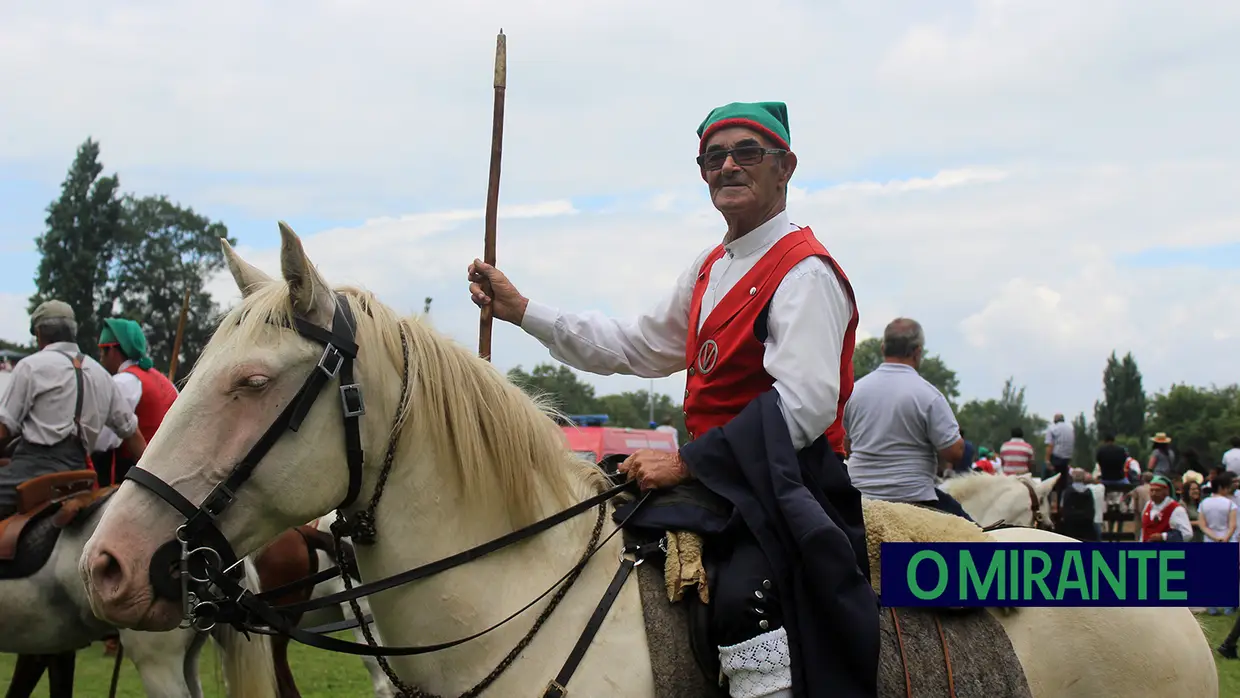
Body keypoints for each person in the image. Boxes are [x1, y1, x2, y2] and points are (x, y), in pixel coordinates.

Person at [468, 101, 877, 698]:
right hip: (722, 476)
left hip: (789, 481)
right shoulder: (712, 267)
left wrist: (688, 462)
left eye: (746, 153)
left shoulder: (804, 272)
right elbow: (636, 346)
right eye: (714, 157)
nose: (728, 166)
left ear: (785, 167)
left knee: (744, 603)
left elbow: (806, 407)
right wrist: (524, 312)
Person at [0, 301, 147, 518]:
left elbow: (4, 429)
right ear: (72, 332)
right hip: (80, 477)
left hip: (32, 474)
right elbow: (132, 434)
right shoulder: (102, 376)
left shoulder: (31, 366)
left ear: (39, 333)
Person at [843, 318, 972, 521]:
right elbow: (954, 452)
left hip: (859, 496)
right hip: (914, 497)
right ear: (917, 351)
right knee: (978, 537)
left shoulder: (855, 391)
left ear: (883, 348)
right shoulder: (928, 395)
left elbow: (846, 444)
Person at [91, 318, 178, 487]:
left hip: (135, 478)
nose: (100, 357)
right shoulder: (166, 382)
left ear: (112, 349)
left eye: (102, 350)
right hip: (171, 472)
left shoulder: (121, 382)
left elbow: (102, 442)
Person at [1139, 474, 1192, 543]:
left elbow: (1187, 534)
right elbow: (1143, 530)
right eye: (1152, 490)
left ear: (1166, 491)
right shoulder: (1147, 505)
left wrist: (1164, 537)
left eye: (1157, 490)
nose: (1154, 493)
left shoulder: (1176, 509)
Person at [1044, 413, 1074, 499]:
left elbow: (1050, 445)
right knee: (1063, 483)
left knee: (1047, 479)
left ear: (1055, 420)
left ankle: (1047, 500)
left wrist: (1047, 460)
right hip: (1066, 459)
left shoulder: (1053, 428)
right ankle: (1061, 501)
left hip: (1056, 458)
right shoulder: (1070, 429)